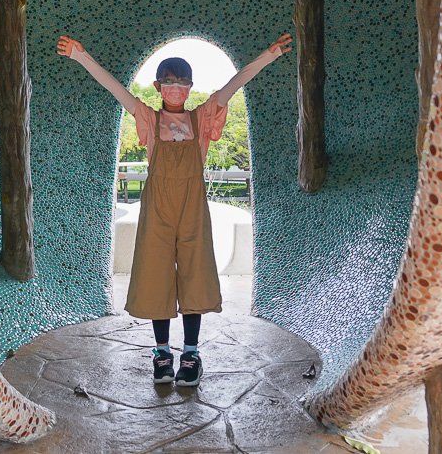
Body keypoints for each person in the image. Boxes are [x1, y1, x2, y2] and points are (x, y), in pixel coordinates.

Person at [56, 33, 292, 386]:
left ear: (191, 87)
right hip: (158, 207)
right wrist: (82, 56)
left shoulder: (203, 117)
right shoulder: (148, 119)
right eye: (169, 82)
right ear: (158, 86)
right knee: (156, 275)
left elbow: (233, 85)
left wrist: (267, 56)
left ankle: (192, 354)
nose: (176, 88)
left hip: (192, 206)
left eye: (182, 82)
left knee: (195, 275)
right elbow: (116, 91)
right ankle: (162, 353)